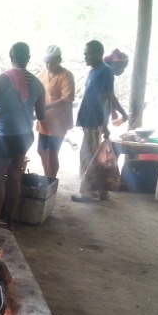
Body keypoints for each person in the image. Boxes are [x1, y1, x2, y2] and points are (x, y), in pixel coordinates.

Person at [0, 42, 46, 228]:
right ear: (28, 58)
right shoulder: (38, 83)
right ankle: (10, 222)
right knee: (14, 178)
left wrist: (3, 107)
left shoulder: (4, 79)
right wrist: (23, 112)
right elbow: (41, 115)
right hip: (25, 135)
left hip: (5, 136)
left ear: (11, 57)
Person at [72, 40, 116, 203]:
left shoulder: (106, 71)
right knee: (93, 157)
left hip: (96, 121)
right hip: (88, 121)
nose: (85, 57)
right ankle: (101, 191)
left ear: (98, 54)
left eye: (87, 54)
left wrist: (105, 123)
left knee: (88, 157)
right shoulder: (93, 71)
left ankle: (90, 193)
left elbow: (108, 98)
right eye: (84, 54)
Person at [36, 45, 75, 179]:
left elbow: (67, 98)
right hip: (44, 120)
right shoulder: (42, 74)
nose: (48, 65)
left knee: (52, 152)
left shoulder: (66, 75)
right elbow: (35, 92)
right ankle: (47, 175)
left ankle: (51, 178)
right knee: (41, 151)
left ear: (59, 60)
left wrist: (46, 107)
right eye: (47, 62)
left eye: (52, 62)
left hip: (59, 121)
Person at [102, 48, 130, 127]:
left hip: (93, 113)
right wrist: (124, 114)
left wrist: (112, 110)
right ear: (112, 63)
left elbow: (106, 94)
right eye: (121, 68)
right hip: (94, 114)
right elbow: (111, 96)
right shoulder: (107, 74)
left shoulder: (102, 70)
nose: (122, 71)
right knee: (93, 138)